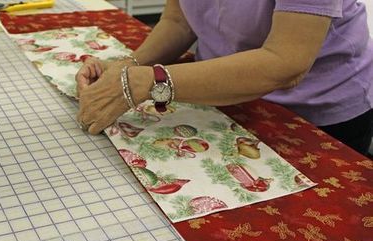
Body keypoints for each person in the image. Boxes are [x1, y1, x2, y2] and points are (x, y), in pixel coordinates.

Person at [76, 0, 373, 156]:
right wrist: (128, 66)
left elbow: (286, 63)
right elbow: (179, 21)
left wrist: (149, 81)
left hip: (315, 114)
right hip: (223, 96)